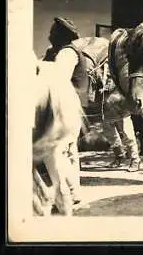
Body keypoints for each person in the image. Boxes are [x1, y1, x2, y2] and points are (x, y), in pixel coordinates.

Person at [41, 17, 86, 204]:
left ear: (61, 35)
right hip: (60, 105)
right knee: (67, 151)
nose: (49, 35)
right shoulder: (55, 52)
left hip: (64, 107)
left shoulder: (67, 53)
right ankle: (73, 192)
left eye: (53, 32)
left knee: (59, 150)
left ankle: (68, 194)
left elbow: (57, 80)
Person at [101, 62, 141, 172]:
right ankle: (119, 156)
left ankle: (135, 159)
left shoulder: (119, 66)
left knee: (126, 133)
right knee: (110, 133)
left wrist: (109, 85)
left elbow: (123, 82)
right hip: (106, 105)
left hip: (119, 103)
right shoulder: (100, 66)